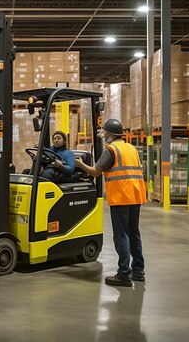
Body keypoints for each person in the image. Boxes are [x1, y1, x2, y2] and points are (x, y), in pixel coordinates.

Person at [74, 119, 147, 287]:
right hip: (135, 196)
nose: (103, 135)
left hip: (121, 197)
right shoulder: (131, 148)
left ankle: (123, 274)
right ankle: (138, 271)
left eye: (104, 132)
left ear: (111, 134)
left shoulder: (111, 150)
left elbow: (95, 172)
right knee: (134, 233)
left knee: (121, 235)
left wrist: (80, 164)